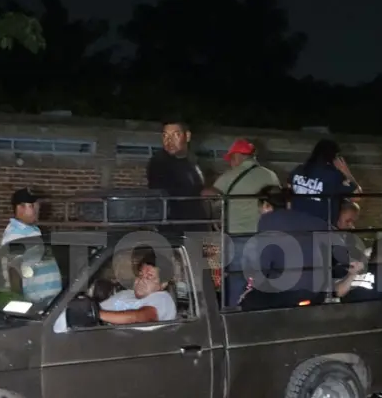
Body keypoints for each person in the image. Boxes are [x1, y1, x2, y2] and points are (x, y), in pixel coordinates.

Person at [239, 185, 346, 310]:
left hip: (288, 291)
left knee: (248, 301)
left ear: (266, 205)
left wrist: (250, 285)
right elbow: (340, 247)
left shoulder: (267, 220)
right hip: (318, 290)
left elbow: (263, 263)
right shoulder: (313, 220)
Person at [209, 138, 280, 306]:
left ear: (237, 156)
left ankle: (234, 315)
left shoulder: (228, 178)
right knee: (263, 282)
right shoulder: (271, 175)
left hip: (236, 239)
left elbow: (211, 201)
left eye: (231, 159)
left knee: (235, 281)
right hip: (265, 239)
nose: (231, 163)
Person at [53, 246, 177, 332]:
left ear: (163, 284)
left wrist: (95, 314)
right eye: (140, 275)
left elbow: (141, 317)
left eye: (149, 277)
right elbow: (99, 308)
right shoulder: (124, 294)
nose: (141, 280)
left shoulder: (162, 298)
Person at [0, 188, 62, 304]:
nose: (38, 209)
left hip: (48, 299)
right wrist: (19, 303)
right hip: (38, 301)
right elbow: (13, 271)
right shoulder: (15, 235)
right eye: (33, 206)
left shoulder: (31, 229)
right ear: (20, 208)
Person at [146, 119, 208, 229]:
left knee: (213, 246)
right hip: (174, 227)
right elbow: (162, 192)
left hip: (199, 225)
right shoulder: (159, 162)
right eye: (165, 136)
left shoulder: (194, 160)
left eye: (175, 135)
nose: (169, 141)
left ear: (187, 136)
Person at [287, 138, 361, 225]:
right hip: (321, 230)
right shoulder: (333, 175)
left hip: (295, 226)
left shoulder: (298, 170)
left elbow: (288, 196)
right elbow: (357, 196)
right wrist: (346, 172)